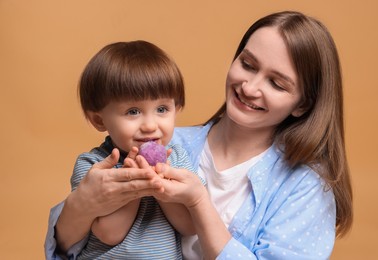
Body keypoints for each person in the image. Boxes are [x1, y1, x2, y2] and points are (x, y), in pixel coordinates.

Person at [45, 11, 353, 259]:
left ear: (303, 104)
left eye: (277, 83)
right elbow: (66, 248)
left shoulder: (307, 187)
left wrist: (198, 202)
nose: (250, 87)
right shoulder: (168, 142)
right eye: (247, 64)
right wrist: (81, 206)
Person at [46, 40, 204, 259]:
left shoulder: (176, 159)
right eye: (133, 112)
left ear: (176, 109)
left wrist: (159, 181)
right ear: (99, 120)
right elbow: (109, 233)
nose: (150, 125)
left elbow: (190, 226)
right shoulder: (95, 167)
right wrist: (135, 186)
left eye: (161, 109)